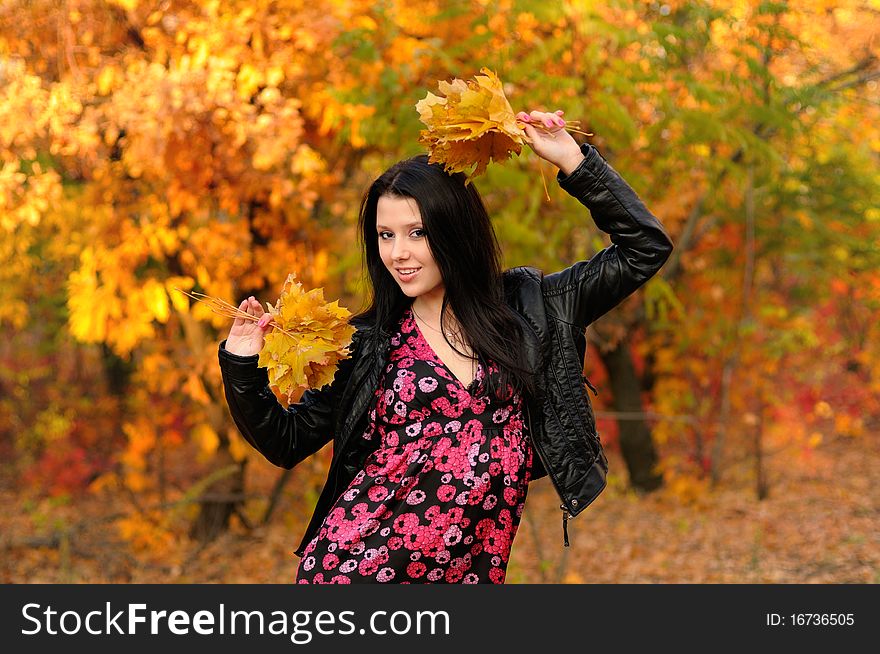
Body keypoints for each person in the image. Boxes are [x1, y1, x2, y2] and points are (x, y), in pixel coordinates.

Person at [218, 108, 674, 583]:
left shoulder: (533, 308)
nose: (398, 253)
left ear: (456, 230)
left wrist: (571, 160)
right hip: (356, 571)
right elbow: (284, 442)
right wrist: (242, 362)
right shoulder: (369, 342)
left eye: (417, 233)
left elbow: (644, 247)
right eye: (385, 235)